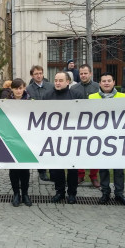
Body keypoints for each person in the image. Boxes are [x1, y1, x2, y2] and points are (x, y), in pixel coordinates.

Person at [89, 72, 125, 206]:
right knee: (103, 168)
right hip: (101, 138)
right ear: (100, 83)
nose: (106, 83)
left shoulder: (123, 96)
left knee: (119, 168)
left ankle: (119, 193)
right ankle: (105, 192)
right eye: (104, 81)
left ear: (114, 82)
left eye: (109, 80)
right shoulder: (91, 97)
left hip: (118, 137)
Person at [45, 72, 83, 204]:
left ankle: (72, 193)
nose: (57, 82)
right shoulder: (47, 96)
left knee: (72, 168)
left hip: (72, 138)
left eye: (60, 80)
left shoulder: (76, 96)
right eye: (55, 80)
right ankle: (59, 192)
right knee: (57, 168)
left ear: (68, 82)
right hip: (54, 138)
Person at [70, 64, 101, 188]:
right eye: (81, 73)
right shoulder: (74, 88)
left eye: (85, 73)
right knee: (79, 149)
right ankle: (80, 174)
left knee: (95, 150)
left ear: (90, 74)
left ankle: (94, 176)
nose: (83, 75)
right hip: (78, 124)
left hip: (95, 123)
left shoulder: (98, 87)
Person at [6, 78, 33, 207]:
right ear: (12, 89)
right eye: (16, 88)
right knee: (14, 170)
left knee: (24, 169)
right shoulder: (5, 102)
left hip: (25, 140)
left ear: (24, 88)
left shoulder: (31, 102)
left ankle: (25, 194)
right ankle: (16, 194)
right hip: (11, 140)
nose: (18, 90)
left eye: (21, 88)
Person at [25, 65, 53, 182]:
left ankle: (52, 170)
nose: (39, 75)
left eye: (40, 73)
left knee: (50, 146)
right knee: (39, 146)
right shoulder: (28, 89)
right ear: (32, 75)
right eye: (36, 74)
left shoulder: (51, 86)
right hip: (36, 121)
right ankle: (41, 171)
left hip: (50, 120)